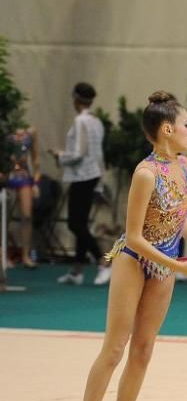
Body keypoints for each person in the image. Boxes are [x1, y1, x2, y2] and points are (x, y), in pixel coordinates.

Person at [70, 92, 187, 401]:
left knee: (144, 348)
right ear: (167, 130)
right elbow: (134, 236)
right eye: (186, 125)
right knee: (115, 347)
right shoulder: (145, 173)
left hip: (164, 265)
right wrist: (182, 267)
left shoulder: (186, 167)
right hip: (135, 261)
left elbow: (178, 212)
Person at [50, 82, 112, 285]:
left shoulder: (80, 121)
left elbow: (78, 153)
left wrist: (60, 156)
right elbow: (98, 154)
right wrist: (100, 182)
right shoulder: (97, 121)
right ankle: (77, 271)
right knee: (82, 224)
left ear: (75, 99)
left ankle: (105, 261)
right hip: (92, 175)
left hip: (82, 176)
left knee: (75, 224)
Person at [4, 126, 41, 267]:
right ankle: (4, 255)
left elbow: (36, 158)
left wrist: (36, 182)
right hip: (6, 175)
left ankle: (26, 255)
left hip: (24, 176)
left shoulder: (31, 132)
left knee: (26, 216)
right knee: (4, 217)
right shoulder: (5, 129)